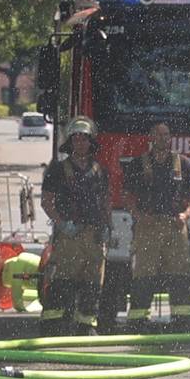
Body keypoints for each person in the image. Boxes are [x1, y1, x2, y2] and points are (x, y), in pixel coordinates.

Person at [38, 119, 110, 333]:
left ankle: (86, 327)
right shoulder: (58, 170)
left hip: (94, 236)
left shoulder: (99, 171)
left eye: (84, 139)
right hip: (70, 236)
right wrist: (62, 225)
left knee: (92, 283)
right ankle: (53, 325)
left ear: (90, 143)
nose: (80, 143)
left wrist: (107, 227)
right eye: (76, 139)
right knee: (63, 281)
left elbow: (106, 201)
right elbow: (46, 201)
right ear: (69, 143)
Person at [123, 121, 190, 327]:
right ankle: (138, 320)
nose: (163, 139)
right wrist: (138, 215)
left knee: (180, 272)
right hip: (149, 225)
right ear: (150, 138)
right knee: (144, 273)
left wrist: (187, 213)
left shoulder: (182, 164)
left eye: (166, 135)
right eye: (158, 135)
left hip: (175, 225)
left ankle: (181, 319)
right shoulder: (138, 164)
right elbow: (127, 194)